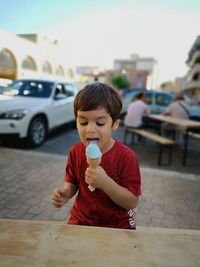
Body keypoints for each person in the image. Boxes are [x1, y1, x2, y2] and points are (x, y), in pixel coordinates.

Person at [52, 82, 141, 230]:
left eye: (100, 123)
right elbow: (72, 182)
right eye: (83, 122)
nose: (90, 129)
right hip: (80, 220)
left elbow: (132, 202)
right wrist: (66, 193)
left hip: (117, 225)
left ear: (114, 124)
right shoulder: (75, 151)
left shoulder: (126, 157)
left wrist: (105, 183)